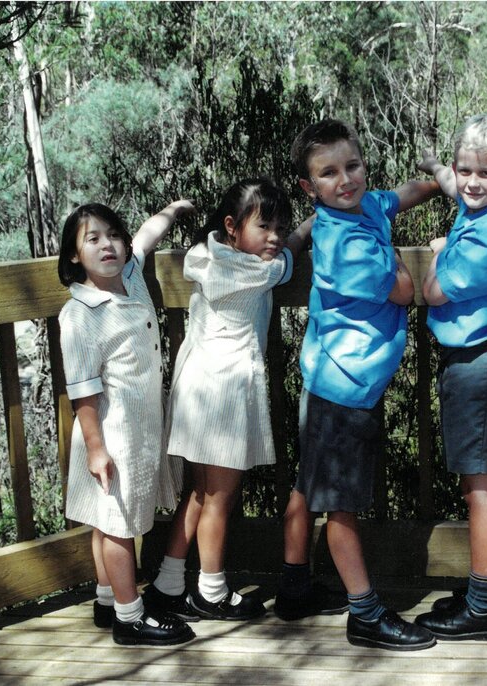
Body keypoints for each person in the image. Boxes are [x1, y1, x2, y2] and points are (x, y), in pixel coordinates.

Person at [283, 118, 440, 651]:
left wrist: (439, 181)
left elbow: (400, 196)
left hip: (331, 376)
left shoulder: (364, 206)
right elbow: (406, 291)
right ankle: (365, 613)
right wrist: (400, 262)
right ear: (310, 188)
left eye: (352, 166)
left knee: (309, 485)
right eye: (329, 173)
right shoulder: (346, 246)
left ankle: (295, 587)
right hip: (344, 388)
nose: (345, 180)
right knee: (339, 506)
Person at [143, 179, 314, 623]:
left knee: (200, 492)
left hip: (195, 384)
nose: (275, 236)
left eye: (281, 226)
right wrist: (318, 219)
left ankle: (167, 584)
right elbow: (294, 250)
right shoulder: (259, 271)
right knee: (220, 497)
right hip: (224, 393)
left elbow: (273, 243)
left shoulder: (204, 255)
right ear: (232, 227)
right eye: (265, 226)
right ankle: (211, 592)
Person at [412, 113, 487, 641]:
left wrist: (439, 252)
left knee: (479, 489)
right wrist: (437, 169)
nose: (470, 183)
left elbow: (433, 292)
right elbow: (454, 187)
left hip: (479, 365)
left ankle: (483, 610)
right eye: (464, 171)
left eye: (485, 173)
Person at [57, 199, 196, 646]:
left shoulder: (130, 277)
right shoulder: (80, 315)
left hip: (137, 431)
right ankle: (130, 617)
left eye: (113, 235)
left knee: (106, 520)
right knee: (118, 526)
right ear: (75, 256)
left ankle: (106, 599)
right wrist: (97, 448)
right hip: (112, 434)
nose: (108, 245)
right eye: (92, 239)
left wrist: (172, 213)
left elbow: (147, 235)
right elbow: (82, 392)